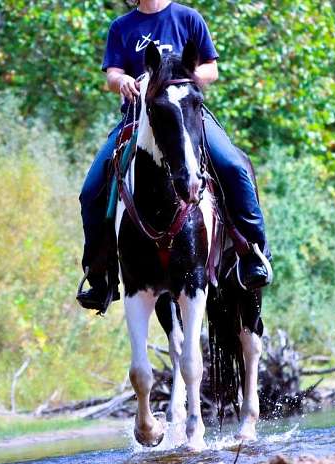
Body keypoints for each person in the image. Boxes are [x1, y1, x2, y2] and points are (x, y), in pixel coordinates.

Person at [77, 0, 272, 310]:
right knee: (91, 191)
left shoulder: (188, 18)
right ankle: (99, 275)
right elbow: (112, 74)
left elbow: (211, 69)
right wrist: (123, 80)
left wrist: (178, 76)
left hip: (188, 117)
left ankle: (252, 253)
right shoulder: (122, 27)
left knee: (234, 167)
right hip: (137, 119)